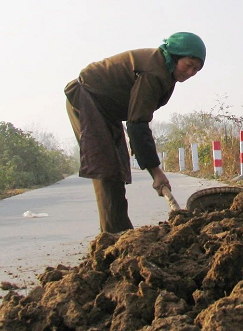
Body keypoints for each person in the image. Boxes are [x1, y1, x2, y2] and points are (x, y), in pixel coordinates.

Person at [64, 32, 206, 233]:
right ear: (175, 55)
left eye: (196, 69)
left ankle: (120, 231)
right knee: (107, 169)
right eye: (188, 64)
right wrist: (156, 172)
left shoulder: (166, 72)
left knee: (118, 167)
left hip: (107, 110)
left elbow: (137, 119)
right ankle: (114, 236)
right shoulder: (154, 72)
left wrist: (153, 169)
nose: (190, 72)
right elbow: (137, 124)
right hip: (87, 99)